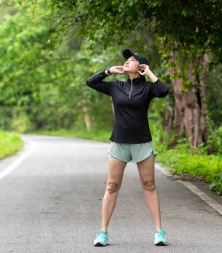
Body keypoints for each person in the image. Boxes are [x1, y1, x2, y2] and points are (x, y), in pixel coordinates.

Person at [86, 49, 169, 247]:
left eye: (131, 60)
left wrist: (148, 72)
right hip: (119, 142)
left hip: (142, 142)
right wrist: (108, 71)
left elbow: (163, 91)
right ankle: (103, 232)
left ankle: (159, 232)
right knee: (111, 186)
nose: (126, 62)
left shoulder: (148, 89)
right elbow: (91, 82)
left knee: (149, 185)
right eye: (126, 60)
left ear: (140, 67)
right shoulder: (116, 87)